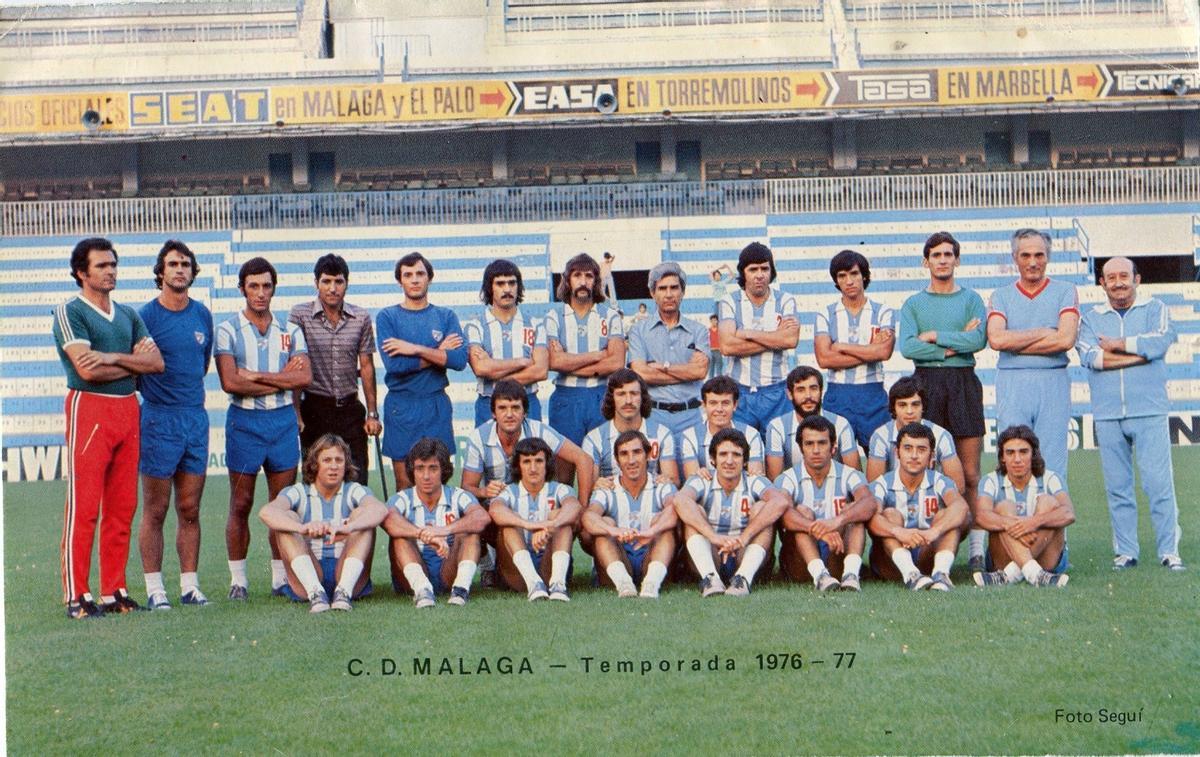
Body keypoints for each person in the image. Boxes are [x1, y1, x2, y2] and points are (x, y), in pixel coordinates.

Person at [54, 237, 164, 618]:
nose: (111, 271)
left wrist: (113, 357)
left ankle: (113, 590)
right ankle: (76, 594)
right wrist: (131, 362)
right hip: (90, 410)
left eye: (113, 264)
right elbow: (87, 369)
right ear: (82, 273)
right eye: (102, 266)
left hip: (128, 409)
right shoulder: (71, 311)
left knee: (122, 506)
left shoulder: (129, 314)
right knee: (84, 507)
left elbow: (155, 364)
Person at [1077, 257, 1184, 571]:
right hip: (1108, 413)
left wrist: (1119, 344)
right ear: (1102, 283)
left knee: (1158, 484)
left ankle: (1169, 551)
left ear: (1137, 279)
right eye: (1111, 277)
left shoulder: (1155, 309)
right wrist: (1139, 356)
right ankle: (1126, 551)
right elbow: (1091, 357)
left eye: (1124, 275)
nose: (1118, 282)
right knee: (1117, 487)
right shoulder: (1091, 318)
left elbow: (1161, 341)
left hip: (1149, 409)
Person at [215, 257, 311, 600]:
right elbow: (230, 382)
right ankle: (238, 580)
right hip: (245, 424)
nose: (260, 293)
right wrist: (281, 380)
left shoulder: (290, 330)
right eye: (253, 286)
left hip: (282, 423)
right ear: (242, 288)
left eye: (266, 286)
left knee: (281, 505)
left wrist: (255, 376)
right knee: (240, 503)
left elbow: (304, 377)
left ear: (274, 288)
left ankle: (279, 578)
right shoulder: (228, 329)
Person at [899, 231, 989, 570]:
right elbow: (908, 347)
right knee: (928, 465)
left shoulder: (971, 299)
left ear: (957, 259)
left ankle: (976, 550)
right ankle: (930, 543)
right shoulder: (913, 304)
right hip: (926, 382)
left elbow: (978, 339)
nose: (942, 260)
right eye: (936, 255)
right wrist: (955, 344)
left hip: (964, 382)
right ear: (926, 261)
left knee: (970, 474)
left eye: (948, 254)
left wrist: (937, 337)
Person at [138, 240, 213, 610]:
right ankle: (155, 589)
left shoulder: (202, 315)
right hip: (158, 420)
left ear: (193, 272)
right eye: (173, 264)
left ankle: (189, 586)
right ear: (161, 272)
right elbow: (137, 369)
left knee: (190, 508)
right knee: (155, 509)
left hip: (195, 419)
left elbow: (202, 366)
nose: (180, 269)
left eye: (186, 263)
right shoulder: (145, 317)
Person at [257, 434, 387, 612]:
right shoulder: (299, 491)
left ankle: (343, 593)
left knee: (362, 515)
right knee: (288, 519)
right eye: (327, 460)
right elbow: (266, 512)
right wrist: (302, 528)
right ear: (314, 464)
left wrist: (349, 527)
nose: (334, 466)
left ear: (346, 464)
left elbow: (380, 510)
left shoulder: (354, 490)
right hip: (309, 572)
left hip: (346, 572)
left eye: (339, 460)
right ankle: (316, 593)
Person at [987, 228, 1080, 478]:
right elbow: (996, 339)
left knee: (1052, 461)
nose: (1033, 262)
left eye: (1039, 255)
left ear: (1047, 257)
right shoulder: (1001, 295)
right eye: (1025, 255)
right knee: (1013, 456)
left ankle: (1050, 516)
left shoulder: (1065, 290)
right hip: (1012, 382)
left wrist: (1015, 341)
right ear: (1015, 257)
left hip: (1053, 380)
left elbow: (1066, 339)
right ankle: (1015, 516)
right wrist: (1043, 331)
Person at [376, 252, 467, 490]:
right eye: (408, 275)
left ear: (429, 278)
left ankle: (438, 529)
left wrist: (413, 348)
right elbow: (395, 366)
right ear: (400, 281)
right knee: (405, 484)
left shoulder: (445, 316)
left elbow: (458, 360)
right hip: (402, 406)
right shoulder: (388, 317)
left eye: (420, 273)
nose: (414, 279)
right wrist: (438, 353)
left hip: (435, 405)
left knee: (439, 481)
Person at [289, 253, 381, 486]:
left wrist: (372, 413)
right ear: (316, 283)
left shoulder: (360, 317)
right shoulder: (300, 315)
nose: (332, 288)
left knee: (357, 481)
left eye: (338, 282)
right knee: (314, 481)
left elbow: (367, 366)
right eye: (326, 281)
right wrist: (297, 413)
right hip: (314, 409)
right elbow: (297, 367)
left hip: (350, 409)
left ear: (346, 284)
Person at [672, 428, 790, 596]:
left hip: (745, 552)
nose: (729, 461)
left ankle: (743, 579)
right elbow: (680, 500)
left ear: (745, 461)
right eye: (723, 454)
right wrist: (714, 537)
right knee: (694, 510)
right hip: (712, 553)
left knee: (762, 508)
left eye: (736, 455)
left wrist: (744, 537)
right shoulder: (702, 479)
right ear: (713, 459)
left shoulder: (754, 480)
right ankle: (710, 578)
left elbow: (780, 501)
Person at [381, 438, 491, 607]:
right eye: (420, 469)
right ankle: (422, 590)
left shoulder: (457, 495)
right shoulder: (403, 498)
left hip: (448, 571)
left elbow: (481, 517)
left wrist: (444, 530)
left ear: (443, 470)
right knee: (400, 536)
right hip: (410, 577)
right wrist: (423, 535)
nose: (426, 476)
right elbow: (387, 520)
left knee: (469, 531)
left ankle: (460, 590)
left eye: (433, 468)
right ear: (412, 471)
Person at [776, 416, 878, 592]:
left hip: (836, 552)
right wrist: (816, 529)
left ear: (833, 446)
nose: (816, 450)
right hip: (800, 562)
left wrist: (837, 521)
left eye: (822, 443)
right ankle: (820, 575)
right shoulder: (787, 478)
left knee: (853, 510)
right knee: (801, 511)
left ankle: (851, 575)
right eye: (809, 444)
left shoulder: (849, 474)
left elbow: (869, 503)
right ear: (801, 448)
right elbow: (783, 515)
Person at [460, 379, 595, 509]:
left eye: (515, 408)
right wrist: (484, 492)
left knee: (565, 512)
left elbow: (584, 459)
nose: (509, 414)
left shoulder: (539, 430)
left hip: (538, 505)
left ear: (525, 412)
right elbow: (467, 487)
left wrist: (583, 508)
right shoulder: (478, 437)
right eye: (502, 408)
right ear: (493, 413)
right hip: (495, 508)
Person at [867, 423, 968, 592]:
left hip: (926, 554)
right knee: (890, 514)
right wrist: (898, 532)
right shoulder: (882, 483)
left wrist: (935, 531)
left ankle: (941, 574)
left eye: (921, 450)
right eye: (908, 448)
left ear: (932, 456)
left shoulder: (939, 480)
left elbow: (961, 506)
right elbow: (871, 518)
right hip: (890, 561)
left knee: (947, 515)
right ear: (897, 452)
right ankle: (911, 574)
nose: (914, 455)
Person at [972, 425, 1074, 588]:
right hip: (1002, 558)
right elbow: (981, 516)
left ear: (1033, 453)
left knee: (1048, 502)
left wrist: (1034, 522)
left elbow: (1068, 513)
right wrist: (1011, 524)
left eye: (1023, 452)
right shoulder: (991, 480)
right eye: (1010, 452)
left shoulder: (1051, 478)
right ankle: (1035, 574)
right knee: (1004, 507)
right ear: (1002, 457)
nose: (1017, 459)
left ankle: (1010, 575)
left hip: (1048, 558)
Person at [813, 250, 895, 450]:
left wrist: (841, 347)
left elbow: (884, 353)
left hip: (873, 394)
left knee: (881, 458)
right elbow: (824, 359)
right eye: (842, 276)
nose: (849, 281)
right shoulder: (826, 314)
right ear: (836, 281)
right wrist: (870, 350)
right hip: (838, 395)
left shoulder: (882, 311)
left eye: (854, 274)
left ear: (864, 276)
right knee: (836, 461)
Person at [544, 253, 626, 451]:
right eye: (577, 276)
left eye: (588, 276)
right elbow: (554, 362)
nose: (583, 282)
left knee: (602, 466)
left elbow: (616, 363)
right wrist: (598, 355)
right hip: (566, 398)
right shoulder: (554, 316)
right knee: (564, 467)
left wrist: (569, 362)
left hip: (601, 396)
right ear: (568, 281)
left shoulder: (610, 316)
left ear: (596, 281)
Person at [582, 431, 678, 598]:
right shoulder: (607, 488)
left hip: (652, 555)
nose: (631, 460)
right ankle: (624, 584)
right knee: (605, 522)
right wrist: (614, 531)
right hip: (619, 556)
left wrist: (652, 531)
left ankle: (651, 584)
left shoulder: (661, 485)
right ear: (617, 460)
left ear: (648, 455)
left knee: (663, 524)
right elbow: (588, 517)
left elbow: (675, 511)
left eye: (637, 452)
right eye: (624, 454)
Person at [716, 242, 799, 434]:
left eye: (765, 268)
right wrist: (775, 337)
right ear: (743, 272)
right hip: (740, 391)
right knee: (741, 455)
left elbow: (789, 341)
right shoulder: (730, 301)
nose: (760, 274)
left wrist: (746, 333)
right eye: (753, 269)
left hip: (777, 391)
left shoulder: (785, 300)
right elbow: (728, 346)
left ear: (772, 271)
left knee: (779, 456)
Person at [488, 438, 582, 601]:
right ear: (518, 465)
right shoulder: (510, 491)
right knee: (509, 524)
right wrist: (530, 525)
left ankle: (558, 585)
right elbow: (495, 510)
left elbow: (574, 507)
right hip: (517, 573)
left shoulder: (560, 489)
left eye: (538, 461)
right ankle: (534, 583)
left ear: (547, 464)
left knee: (562, 520)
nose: (533, 468)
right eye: (526, 462)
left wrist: (550, 526)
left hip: (549, 564)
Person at [628, 261, 710, 438]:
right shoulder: (638, 330)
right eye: (662, 288)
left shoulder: (699, 330)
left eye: (674, 287)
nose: (669, 294)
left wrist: (663, 367)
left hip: (692, 416)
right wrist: (685, 372)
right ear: (652, 293)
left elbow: (700, 371)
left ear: (682, 292)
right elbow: (642, 375)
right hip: (653, 415)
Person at [464, 259, 549, 426]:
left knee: (530, 451)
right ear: (490, 287)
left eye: (512, 283)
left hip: (527, 402)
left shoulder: (534, 324)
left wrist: (494, 369)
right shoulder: (476, 326)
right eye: (500, 284)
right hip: (488, 404)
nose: (507, 289)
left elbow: (540, 371)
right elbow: (481, 368)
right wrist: (522, 362)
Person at [866, 376, 965, 494]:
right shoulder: (881, 437)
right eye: (902, 405)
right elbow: (873, 489)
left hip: (931, 502)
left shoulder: (941, 435)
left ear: (923, 407)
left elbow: (958, 486)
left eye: (915, 404)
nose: (909, 411)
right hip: (894, 502)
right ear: (893, 408)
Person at [582, 369, 679, 487]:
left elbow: (673, 481)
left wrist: (667, 481)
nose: (628, 401)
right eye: (621, 394)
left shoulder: (662, 434)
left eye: (634, 393)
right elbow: (588, 487)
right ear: (611, 398)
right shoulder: (593, 439)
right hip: (611, 501)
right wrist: (596, 485)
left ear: (642, 397)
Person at [765, 366, 860, 481]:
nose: (808, 396)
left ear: (821, 391)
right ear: (790, 394)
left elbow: (855, 477)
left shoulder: (841, 424)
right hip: (794, 495)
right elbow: (775, 482)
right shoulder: (777, 427)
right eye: (801, 390)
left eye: (813, 388)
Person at [678, 376, 766, 479]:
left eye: (725, 403)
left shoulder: (751, 434)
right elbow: (693, 481)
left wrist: (708, 474)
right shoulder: (690, 436)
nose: (719, 409)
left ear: (735, 405)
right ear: (704, 405)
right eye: (713, 403)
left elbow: (755, 477)